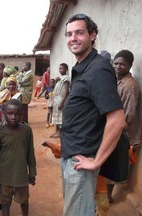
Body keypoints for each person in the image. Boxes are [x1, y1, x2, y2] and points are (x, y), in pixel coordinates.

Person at [61, 14, 125, 216]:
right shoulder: (83, 67)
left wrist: (96, 161)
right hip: (73, 155)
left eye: (80, 33)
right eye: (70, 34)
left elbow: (117, 120)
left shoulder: (98, 69)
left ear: (92, 35)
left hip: (82, 160)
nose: (73, 38)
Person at [0, 99, 36, 216]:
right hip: (4, 176)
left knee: (24, 200)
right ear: (4, 113)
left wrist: (32, 172)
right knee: (5, 203)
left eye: (17, 114)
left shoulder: (26, 130)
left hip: (21, 176)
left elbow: (30, 152)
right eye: (10, 113)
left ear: (22, 115)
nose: (13, 117)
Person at [107, 49, 141, 203]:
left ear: (130, 66)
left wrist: (113, 129)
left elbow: (129, 114)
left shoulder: (130, 86)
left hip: (124, 132)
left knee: (114, 163)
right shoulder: (117, 80)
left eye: (123, 64)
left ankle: (107, 196)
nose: (118, 66)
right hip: (116, 128)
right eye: (116, 63)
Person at [50, 63, 70, 138]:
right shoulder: (61, 78)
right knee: (56, 116)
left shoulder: (66, 78)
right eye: (59, 69)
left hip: (61, 99)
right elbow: (57, 88)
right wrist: (56, 81)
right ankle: (56, 131)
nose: (60, 70)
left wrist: (62, 102)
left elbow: (66, 91)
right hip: (57, 99)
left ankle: (60, 132)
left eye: (62, 68)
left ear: (66, 69)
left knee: (60, 116)